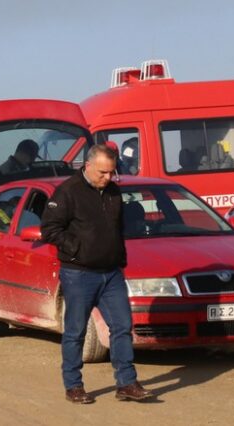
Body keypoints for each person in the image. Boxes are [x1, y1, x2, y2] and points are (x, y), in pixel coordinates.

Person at [40, 144, 154, 404]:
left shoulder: (114, 192)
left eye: (112, 173)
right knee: (75, 331)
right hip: (79, 274)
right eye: (103, 172)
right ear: (88, 165)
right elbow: (49, 229)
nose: (108, 178)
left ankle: (126, 383)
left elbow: (117, 227)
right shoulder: (68, 191)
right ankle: (74, 385)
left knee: (122, 326)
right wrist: (78, 248)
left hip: (112, 273)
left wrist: (120, 257)